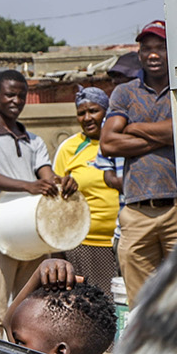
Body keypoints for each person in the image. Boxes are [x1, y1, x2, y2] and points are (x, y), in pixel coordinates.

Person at [0, 69, 65, 339]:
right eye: (9, 94)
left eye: (21, 95)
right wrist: (28, 185)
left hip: (33, 235)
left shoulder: (34, 141)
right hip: (0, 233)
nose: (15, 100)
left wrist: (62, 183)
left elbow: (47, 177)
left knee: (29, 309)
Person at [100, 21, 177, 300]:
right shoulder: (125, 93)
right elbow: (109, 142)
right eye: (147, 48)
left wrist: (134, 128)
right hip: (136, 212)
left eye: (161, 47)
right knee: (142, 303)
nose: (153, 54)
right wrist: (167, 135)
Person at [56, 86, 119, 293]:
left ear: (106, 111)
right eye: (81, 113)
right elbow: (55, 199)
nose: (87, 117)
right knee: (95, 307)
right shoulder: (69, 148)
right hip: (86, 244)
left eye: (93, 110)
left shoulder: (122, 141)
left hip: (126, 239)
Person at [6, 258, 118, 354]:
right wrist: (38, 274)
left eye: (20, 343)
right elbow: (9, 322)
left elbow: (9, 324)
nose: (10, 349)